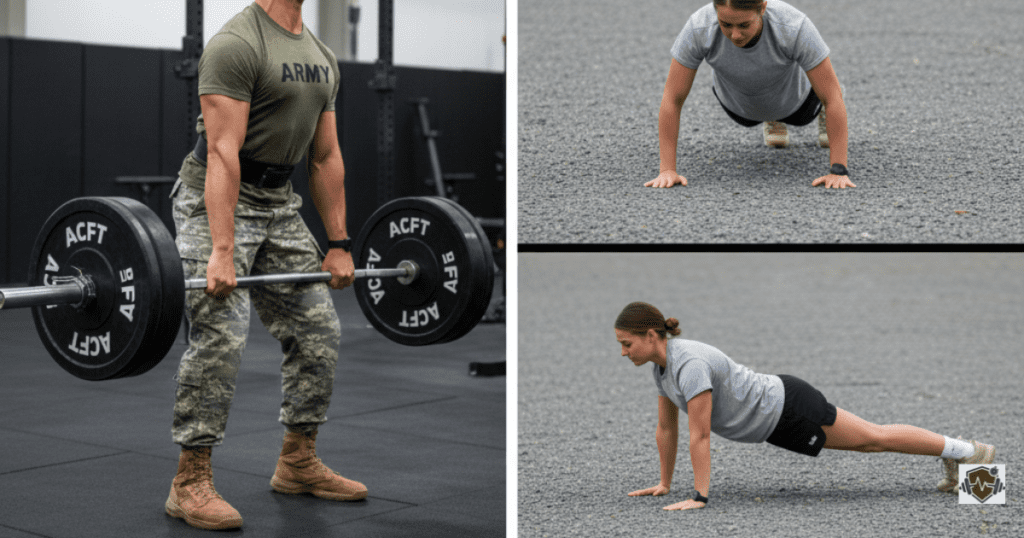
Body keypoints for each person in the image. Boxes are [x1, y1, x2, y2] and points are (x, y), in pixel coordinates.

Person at [165, 0, 366, 530]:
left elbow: (324, 156)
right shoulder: (237, 44)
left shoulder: (322, 55)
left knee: (318, 328)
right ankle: (189, 479)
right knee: (220, 334)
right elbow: (222, 153)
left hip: (279, 204)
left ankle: (298, 461)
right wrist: (224, 250)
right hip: (217, 199)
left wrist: (340, 242)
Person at [613, 302, 996, 511]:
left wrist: (699, 497)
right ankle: (962, 454)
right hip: (777, 419)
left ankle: (970, 453)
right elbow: (668, 428)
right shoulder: (663, 370)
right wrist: (664, 484)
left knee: (873, 439)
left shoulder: (689, 365)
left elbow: (699, 434)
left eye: (627, 343)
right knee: (872, 439)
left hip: (789, 409)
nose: (623, 352)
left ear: (651, 335)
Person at [645, 0, 856, 190]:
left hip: (799, 106)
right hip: (740, 109)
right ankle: (771, 117)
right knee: (754, 113)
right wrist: (667, 170)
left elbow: (832, 96)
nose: (735, 35)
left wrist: (838, 171)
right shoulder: (699, 27)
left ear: (762, 8)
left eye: (744, 25)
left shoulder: (794, 26)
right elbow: (673, 97)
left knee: (823, 95)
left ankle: (810, 116)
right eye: (726, 24)